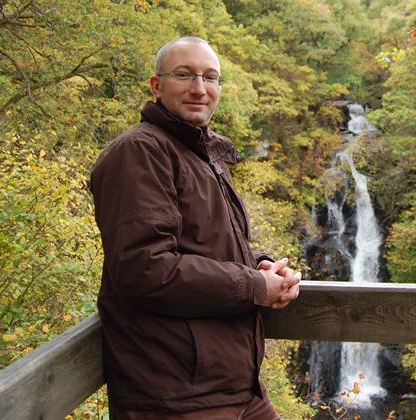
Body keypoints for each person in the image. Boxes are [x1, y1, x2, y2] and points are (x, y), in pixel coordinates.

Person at [91, 36, 300, 419]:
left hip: (237, 388)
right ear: (157, 85)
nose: (199, 88)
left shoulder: (204, 155)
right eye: (184, 75)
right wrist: (255, 287)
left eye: (210, 77)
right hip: (176, 397)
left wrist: (261, 266)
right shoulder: (140, 152)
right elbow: (145, 269)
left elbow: (208, 246)